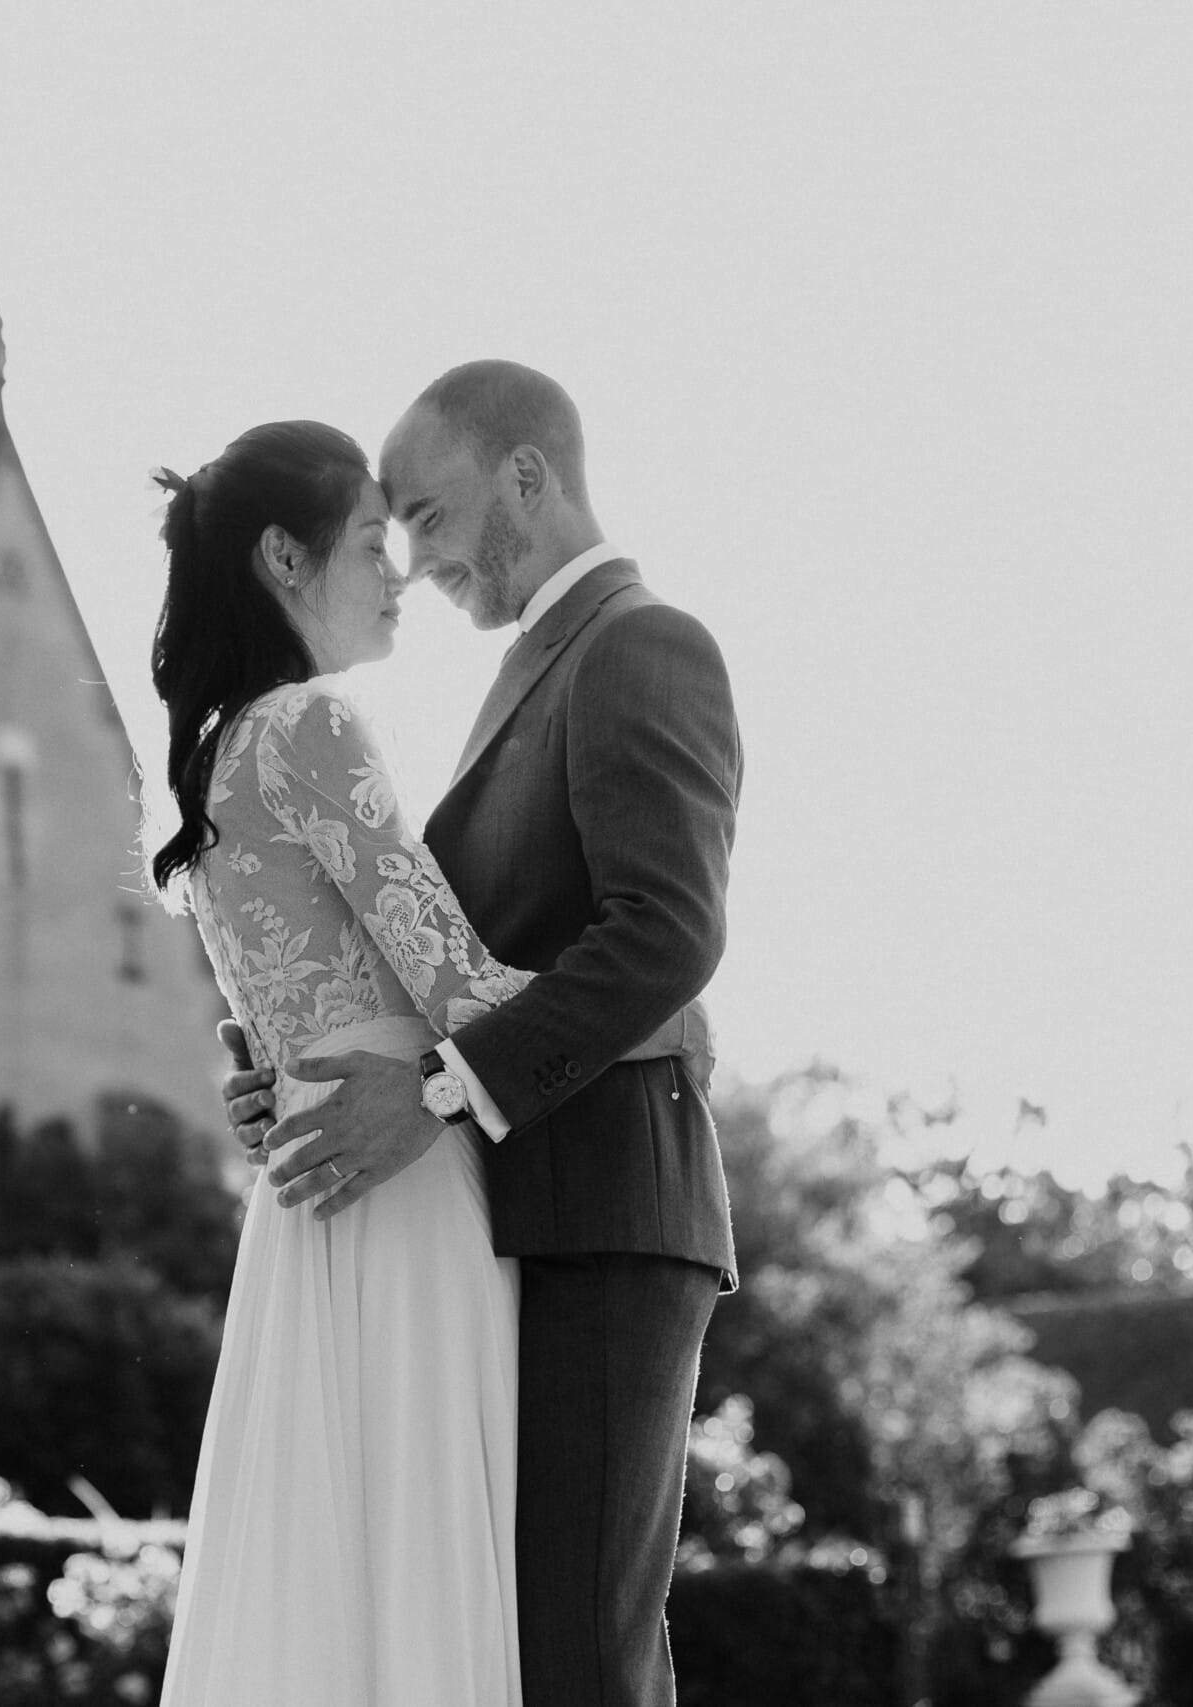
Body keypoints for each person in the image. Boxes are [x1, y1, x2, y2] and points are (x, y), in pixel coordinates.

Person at [225, 360, 741, 1706]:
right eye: (391, 529)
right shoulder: (522, 675)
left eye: (430, 515)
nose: (415, 558)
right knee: (512, 1650)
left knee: (578, 1653)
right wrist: (303, 1065)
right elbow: (433, 954)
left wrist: (440, 1091)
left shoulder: (644, 643)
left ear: (527, 474)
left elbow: (665, 934)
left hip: (607, 1202)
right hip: (508, 1210)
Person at [148, 419, 545, 1705]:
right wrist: (652, 1003)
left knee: (328, 1587)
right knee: (420, 1563)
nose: (399, 575)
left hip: (307, 1208)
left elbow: (289, 1014)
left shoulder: (219, 756)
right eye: (372, 545)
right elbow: (460, 989)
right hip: (401, 1179)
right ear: (285, 557)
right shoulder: (313, 722)